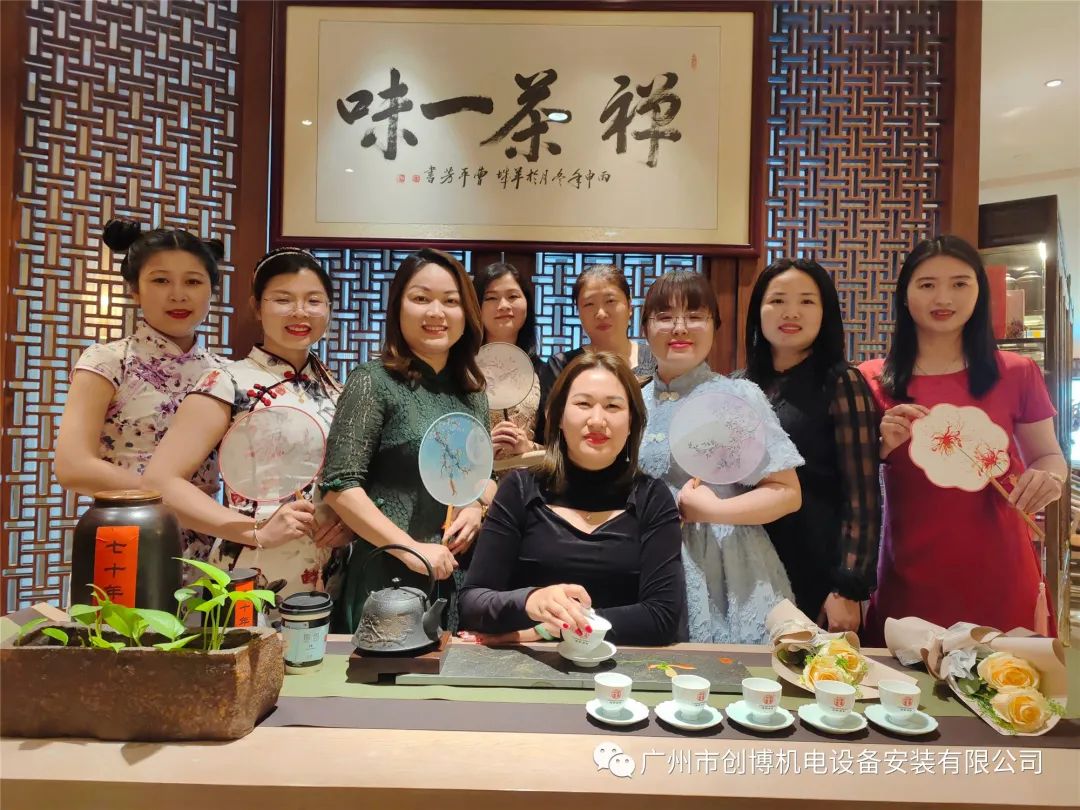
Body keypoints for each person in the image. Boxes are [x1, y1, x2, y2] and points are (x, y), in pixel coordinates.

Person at [859, 235, 1066, 642]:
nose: (943, 298)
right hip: (908, 572)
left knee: (1003, 678)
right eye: (927, 284)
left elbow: (1048, 456)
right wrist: (879, 448)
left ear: (979, 292)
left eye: (959, 283)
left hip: (1001, 569)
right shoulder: (871, 379)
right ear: (905, 297)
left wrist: (1050, 480)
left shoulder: (1017, 372)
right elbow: (850, 482)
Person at [145, 248, 350, 605]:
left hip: (333, 574)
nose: (300, 312)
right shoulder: (227, 382)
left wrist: (349, 526)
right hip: (253, 568)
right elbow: (160, 483)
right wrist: (255, 530)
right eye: (283, 299)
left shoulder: (339, 391)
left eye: (314, 300)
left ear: (329, 309)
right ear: (257, 307)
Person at [460, 351, 686, 646]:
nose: (597, 420)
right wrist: (531, 600)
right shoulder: (520, 489)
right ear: (558, 417)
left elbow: (662, 618)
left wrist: (548, 629)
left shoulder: (652, 498)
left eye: (613, 406)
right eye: (583, 404)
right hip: (532, 668)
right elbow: (473, 603)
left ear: (631, 421)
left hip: (622, 668)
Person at [321, 248, 493, 634]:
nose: (436, 312)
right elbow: (339, 484)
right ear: (398, 306)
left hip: (456, 572)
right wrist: (409, 548)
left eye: (450, 301)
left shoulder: (473, 393)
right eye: (421, 298)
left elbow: (484, 477)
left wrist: (476, 507)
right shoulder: (373, 381)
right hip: (387, 574)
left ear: (467, 313)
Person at [638, 271, 803, 644]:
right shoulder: (632, 402)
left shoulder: (736, 397)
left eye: (695, 315)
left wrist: (715, 510)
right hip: (646, 560)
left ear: (715, 326)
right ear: (645, 328)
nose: (680, 327)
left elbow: (787, 492)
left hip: (725, 567)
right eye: (664, 316)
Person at [55, 218, 226, 561]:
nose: (178, 294)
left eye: (193, 281)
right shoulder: (108, 361)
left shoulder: (224, 373)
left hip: (210, 545)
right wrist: (171, 495)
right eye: (160, 280)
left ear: (212, 291)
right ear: (134, 290)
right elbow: (73, 465)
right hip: (126, 538)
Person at [742, 259, 881, 631]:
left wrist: (847, 587)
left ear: (825, 313)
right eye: (777, 301)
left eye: (806, 301)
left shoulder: (842, 383)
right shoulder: (741, 386)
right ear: (758, 311)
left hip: (817, 570)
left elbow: (862, 495)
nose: (791, 312)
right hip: (749, 566)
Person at [541, 264, 656, 399]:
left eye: (610, 301)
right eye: (589, 304)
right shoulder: (562, 366)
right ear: (578, 312)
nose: (601, 314)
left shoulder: (658, 360)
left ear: (629, 306)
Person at [473, 261, 543, 459]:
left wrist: (528, 447)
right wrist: (478, 446)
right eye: (491, 298)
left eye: (513, 296)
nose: (503, 306)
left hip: (529, 477)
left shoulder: (545, 371)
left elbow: (560, 448)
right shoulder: (460, 370)